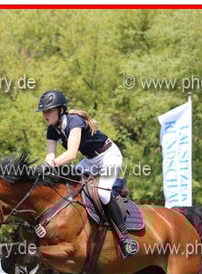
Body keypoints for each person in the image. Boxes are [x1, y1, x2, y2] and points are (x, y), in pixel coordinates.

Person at [37, 89, 138, 257]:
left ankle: (125, 238)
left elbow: (71, 154)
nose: (45, 115)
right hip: (90, 160)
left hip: (109, 155)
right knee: (67, 185)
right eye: (43, 112)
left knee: (102, 194)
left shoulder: (74, 121)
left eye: (49, 111)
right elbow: (50, 156)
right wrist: (43, 168)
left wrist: (51, 165)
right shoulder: (52, 130)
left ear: (61, 110)